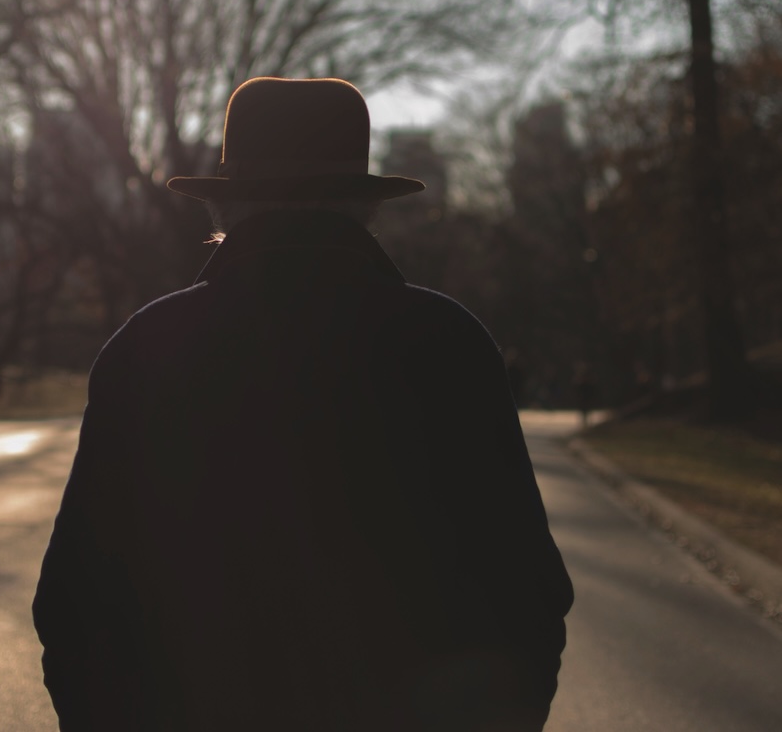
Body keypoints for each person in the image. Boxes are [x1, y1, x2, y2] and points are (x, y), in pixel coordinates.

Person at [33, 78, 573, 732]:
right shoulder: (448, 345)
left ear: (224, 209)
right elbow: (525, 597)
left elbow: (76, 604)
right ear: (365, 207)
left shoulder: (148, 350)